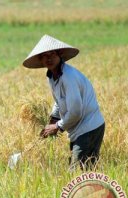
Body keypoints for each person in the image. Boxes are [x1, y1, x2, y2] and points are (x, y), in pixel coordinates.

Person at [22, 34, 105, 171]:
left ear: (60, 54)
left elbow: (76, 111)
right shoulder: (52, 76)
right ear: (40, 59)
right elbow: (59, 101)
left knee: (76, 172)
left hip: (88, 128)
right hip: (80, 129)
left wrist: (57, 126)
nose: (48, 58)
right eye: (44, 56)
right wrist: (53, 120)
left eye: (52, 54)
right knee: (86, 171)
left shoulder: (69, 77)